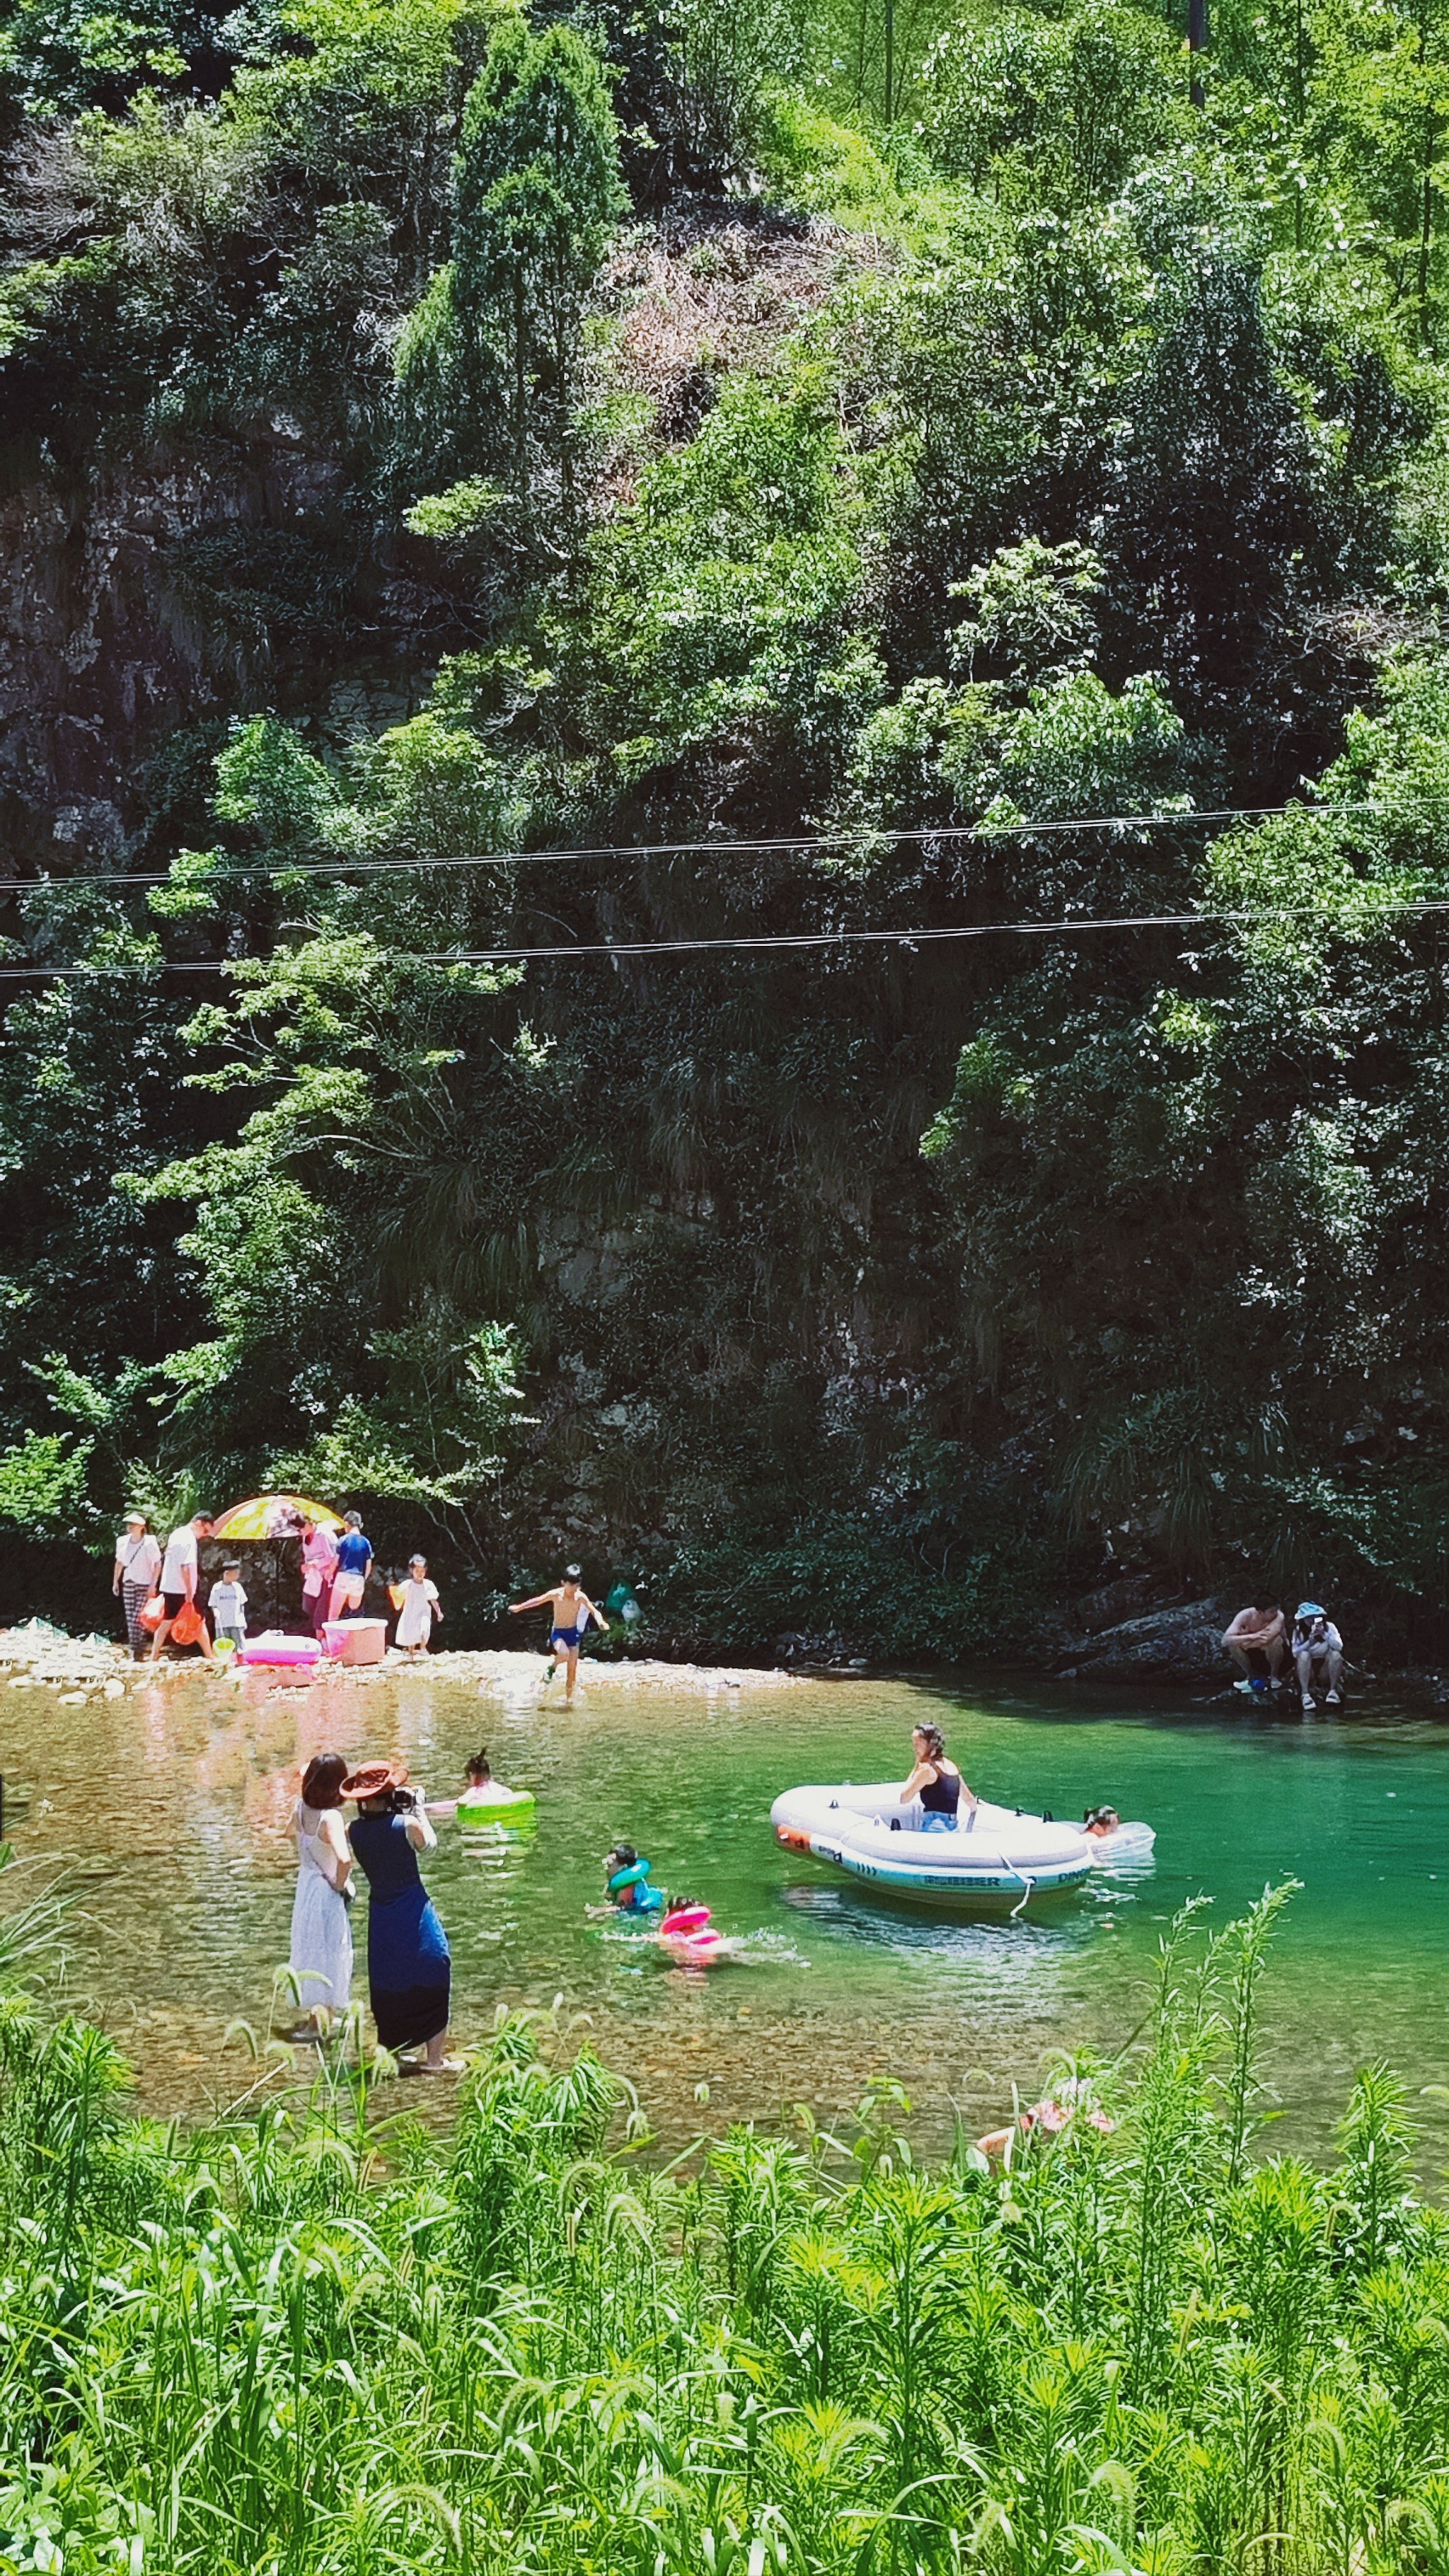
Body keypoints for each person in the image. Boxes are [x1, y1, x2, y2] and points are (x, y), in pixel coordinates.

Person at [342, 1760, 460, 2072]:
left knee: (388, 1980)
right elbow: (429, 1847)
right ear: (389, 1792)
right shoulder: (405, 1825)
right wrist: (417, 1808)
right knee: (436, 1968)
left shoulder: (352, 1831)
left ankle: (391, 2055)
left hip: (381, 1914)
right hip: (413, 1907)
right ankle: (434, 2060)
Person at [288, 1752, 353, 2037]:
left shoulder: (300, 1809)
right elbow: (345, 1860)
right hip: (326, 1892)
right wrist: (339, 1885)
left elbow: (290, 1833)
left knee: (310, 1949)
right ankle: (318, 2024)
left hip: (306, 1887)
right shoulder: (332, 1818)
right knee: (330, 1951)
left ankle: (321, 2016)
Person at [509, 1564, 608, 1704]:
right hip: (559, 1633)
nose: (574, 1588)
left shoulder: (580, 1597)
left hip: (573, 1633)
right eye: (571, 1584)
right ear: (563, 1583)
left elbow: (593, 1610)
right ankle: (552, 1667)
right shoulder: (556, 1595)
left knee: (572, 1671)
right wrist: (519, 1607)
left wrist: (601, 1621)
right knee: (564, 1654)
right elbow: (537, 1601)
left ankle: (569, 1701)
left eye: (576, 1585)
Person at [150, 1510, 216, 1663]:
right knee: (199, 1621)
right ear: (199, 1523)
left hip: (169, 1585)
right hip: (182, 1588)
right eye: (205, 1531)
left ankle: (154, 1657)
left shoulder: (177, 1533)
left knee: (167, 1621)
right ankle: (210, 1656)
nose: (204, 1535)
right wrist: (189, 1591)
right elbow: (185, 1567)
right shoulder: (189, 1539)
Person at [900, 1723, 976, 1831]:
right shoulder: (951, 1766)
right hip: (953, 1826)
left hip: (934, 1826)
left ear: (930, 1744)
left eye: (918, 1743)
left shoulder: (926, 1770)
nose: (915, 1748)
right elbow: (969, 1799)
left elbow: (904, 1798)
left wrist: (917, 1764)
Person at [112, 1511, 161, 1659]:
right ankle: (137, 1649)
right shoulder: (122, 1542)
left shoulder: (149, 1542)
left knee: (138, 1618)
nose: (130, 1527)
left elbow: (158, 1563)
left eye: (133, 1524)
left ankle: (137, 1649)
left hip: (144, 1583)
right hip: (128, 1582)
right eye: (129, 1524)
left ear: (141, 1526)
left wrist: (153, 1585)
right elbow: (119, 1563)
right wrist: (116, 1581)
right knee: (130, 1617)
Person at [1223, 1597, 1286, 1692]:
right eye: (1272, 1611)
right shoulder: (1245, 1615)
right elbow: (1225, 1640)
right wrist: (1251, 1636)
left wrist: (1245, 1643)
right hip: (1255, 1654)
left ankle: (1274, 1676)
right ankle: (1251, 1675)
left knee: (1276, 1640)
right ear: (1260, 1612)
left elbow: (1266, 1639)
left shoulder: (1279, 1616)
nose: (1275, 1613)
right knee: (1233, 1646)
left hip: (1281, 1656)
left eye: (1276, 1610)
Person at [1292, 1601, 1344, 1711]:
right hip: (1306, 1668)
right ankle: (1305, 1694)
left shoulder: (1330, 1627)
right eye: (1308, 1618)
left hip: (1324, 1668)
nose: (1311, 1621)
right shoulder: (1299, 1631)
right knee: (1304, 1654)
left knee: (1336, 1654)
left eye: (1314, 1618)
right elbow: (1295, 1653)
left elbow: (1339, 1647)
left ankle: (1333, 1691)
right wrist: (1309, 1642)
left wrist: (1324, 1635)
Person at [589, 1843, 664, 1916]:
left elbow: (627, 1908)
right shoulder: (623, 1883)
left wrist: (603, 1910)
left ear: (624, 1868)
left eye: (609, 1865)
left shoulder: (628, 1888)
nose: (606, 1868)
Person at [329, 1512, 373, 1623]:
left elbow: (336, 1561)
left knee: (334, 1614)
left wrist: (328, 1574)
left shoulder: (343, 1540)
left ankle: (333, 1638)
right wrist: (364, 1580)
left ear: (347, 1524)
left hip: (343, 1576)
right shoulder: (366, 1543)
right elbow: (368, 1566)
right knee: (354, 1611)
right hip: (358, 1578)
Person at [393, 1555, 441, 1656]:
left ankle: (423, 1647)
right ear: (412, 1571)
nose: (420, 1574)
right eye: (417, 1571)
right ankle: (411, 1653)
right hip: (410, 1612)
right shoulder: (408, 1584)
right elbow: (397, 1595)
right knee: (411, 1632)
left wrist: (439, 1612)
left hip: (424, 1611)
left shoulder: (429, 1584)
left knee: (425, 1628)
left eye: (422, 1571)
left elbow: (433, 1600)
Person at [301, 1517, 340, 1639]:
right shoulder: (305, 1537)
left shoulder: (324, 1535)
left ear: (309, 1524)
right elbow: (307, 1557)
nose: (300, 1531)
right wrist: (306, 1566)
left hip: (327, 1576)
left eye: (301, 1527)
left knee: (322, 1610)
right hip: (314, 1577)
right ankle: (320, 1636)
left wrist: (315, 1563)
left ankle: (321, 1639)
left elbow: (332, 1557)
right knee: (308, 1605)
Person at [209, 1561, 248, 1650]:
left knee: (239, 1646)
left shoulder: (238, 1587)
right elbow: (213, 1604)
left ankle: (240, 1662)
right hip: (222, 1624)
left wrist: (243, 1620)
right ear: (227, 1573)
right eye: (235, 1573)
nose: (238, 1575)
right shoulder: (217, 1588)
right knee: (224, 1648)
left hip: (236, 1623)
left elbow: (242, 1604)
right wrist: (215, 1612)